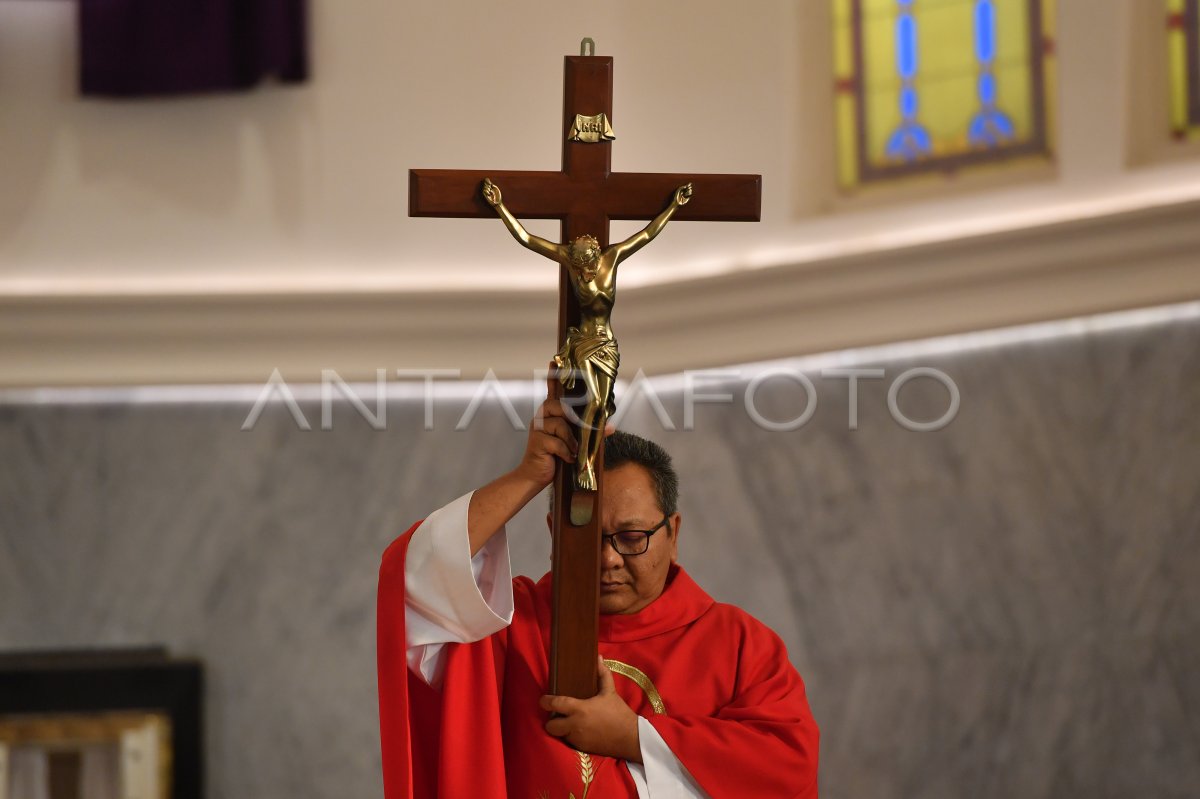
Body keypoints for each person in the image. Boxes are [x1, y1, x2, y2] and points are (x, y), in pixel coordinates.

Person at [377, 392, 820, 798]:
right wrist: (530, 476)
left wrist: (630, 735)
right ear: (553, 536)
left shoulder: (739, 644)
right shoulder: (508, 624)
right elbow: (418, 577)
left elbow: (786, 767)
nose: (607, 560)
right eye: (585, 538)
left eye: (630, 537)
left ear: (674, 533)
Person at [481, 178, 692, 493]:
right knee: (592, 401)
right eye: (581, 263)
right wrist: (500, 206)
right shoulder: (569, 260)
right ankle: (584, 463)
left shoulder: (613, 257)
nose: (586, 268)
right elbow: (526, 238)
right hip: (582, 343)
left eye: (590, 259)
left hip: (606, 344)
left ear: (596, 253)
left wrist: (674, 206)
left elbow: (647, 234)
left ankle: (589, 459)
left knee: (601, 407)